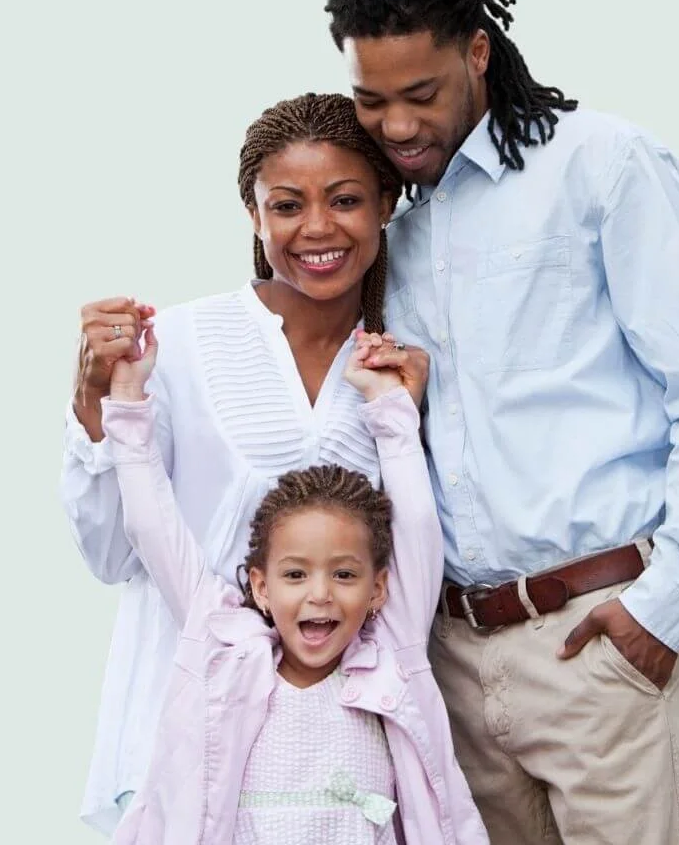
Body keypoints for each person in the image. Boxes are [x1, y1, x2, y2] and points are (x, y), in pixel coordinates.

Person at [325, 0, 679, 844]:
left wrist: (660, 615)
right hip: (448, 657)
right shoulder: (385, 222)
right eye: (373, 100)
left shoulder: (603, 168)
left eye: (421, 95)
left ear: (478, 54)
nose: (397, 125)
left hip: (594, 641)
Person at [61, 94, 413, 834]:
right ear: (254, 216)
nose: (316, 228)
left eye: (345, 199)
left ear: (386, 203)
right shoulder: (180, 344)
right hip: (184, 726)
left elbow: (406, 568)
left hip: (332, 758)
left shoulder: (397, 364)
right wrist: (93, 398)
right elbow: (110, 553)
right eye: (286, 204)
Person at [100, 319, 487, 844]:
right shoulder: (225, 652)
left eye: (345, 574)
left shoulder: (393, 657)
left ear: (378, 589)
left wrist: (390, 408)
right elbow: (151, 527)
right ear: (260, 586)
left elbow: (417, 522)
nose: (320, 593)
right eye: (295, 574)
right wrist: (125, 398)